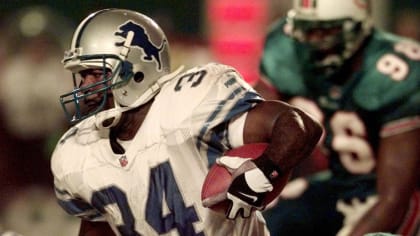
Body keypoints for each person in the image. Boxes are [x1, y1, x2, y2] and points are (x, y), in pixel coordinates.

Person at [50, 8, 322, 236]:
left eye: (96, 74)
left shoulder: (190, 102)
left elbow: (298, 126)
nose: (85, 87)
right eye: (81, 76)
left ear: (138, 71)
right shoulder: (77, 153)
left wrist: (264, 170)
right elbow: (98, 227)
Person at [256, 0, 420, 236]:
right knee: (272, 216)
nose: (315, 40)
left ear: (358, 26)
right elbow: (256, 123)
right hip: (341, 182)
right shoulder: (286, 48)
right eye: (308, 29)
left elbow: (393, 200)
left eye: (327, 30)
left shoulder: (395, 71)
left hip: (397, 196)